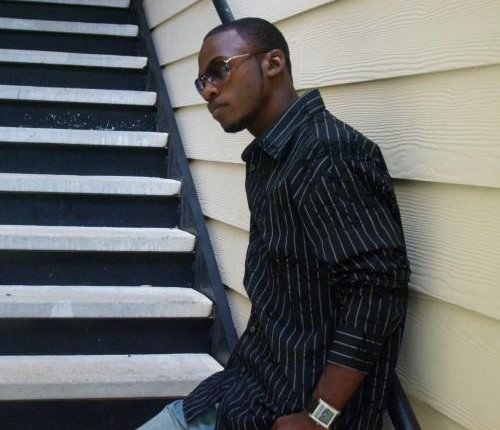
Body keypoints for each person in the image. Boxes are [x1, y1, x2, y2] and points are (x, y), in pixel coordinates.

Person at [138, 17, 411, 430]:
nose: (209, 90)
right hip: (238, 395)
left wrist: (319, 416)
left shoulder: (325, 151)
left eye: (219, 70)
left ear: (273, 63)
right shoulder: (269, 158)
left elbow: (376, 291)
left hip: (284, 413)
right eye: (201, 82)